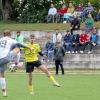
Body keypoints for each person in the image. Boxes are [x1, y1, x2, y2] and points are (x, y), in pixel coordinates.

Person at [0, 30, 29, 97]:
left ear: (4, 35)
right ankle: (16, 63)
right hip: (5, 58)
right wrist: (28, 47)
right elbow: (19, 44)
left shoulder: (1, 39)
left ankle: (4, 92)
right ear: (9, 35)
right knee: (18, 48)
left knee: (1, 75)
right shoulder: (10, 40)